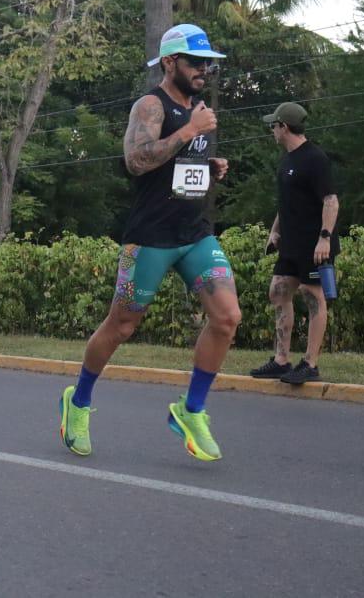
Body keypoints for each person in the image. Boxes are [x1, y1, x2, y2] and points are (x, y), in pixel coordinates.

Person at [59, 24, 239, 462]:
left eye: (208, 64)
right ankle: (78, 402)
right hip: (151, 238)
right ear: (169, 62)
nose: (204, 71)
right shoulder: (150, 105)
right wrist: (187, 132)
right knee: (121, 326)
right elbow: (137, 160)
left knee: (227, 317)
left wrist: (207, 165)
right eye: (196, 62)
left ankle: (190, 410)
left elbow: (175, 167)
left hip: (194, 234)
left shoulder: (197, 107)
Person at [250, 102, 340, 385]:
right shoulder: (287, 160)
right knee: (278, 292)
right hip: (290, 243)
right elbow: (287, 203)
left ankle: (310, 364)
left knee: (313, 297)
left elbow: (331, 201)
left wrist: (324, 238)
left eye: (273, 126)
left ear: (283, 127)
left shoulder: (315, 158)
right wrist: (274, 231)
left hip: (314, 245)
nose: (272, 131)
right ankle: (281, 360)